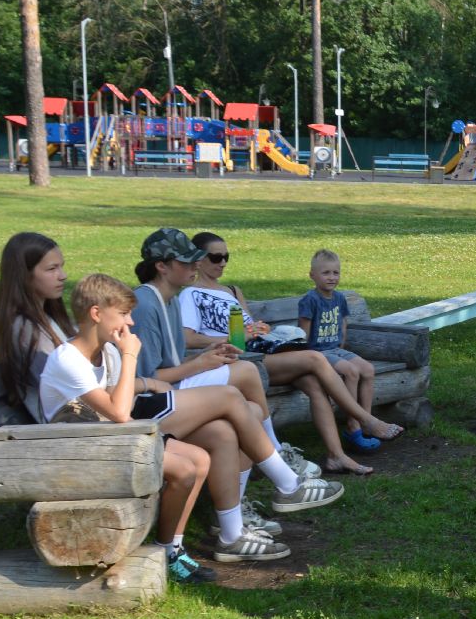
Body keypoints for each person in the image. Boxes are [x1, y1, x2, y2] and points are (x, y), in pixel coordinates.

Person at [131, 227, 345, 562]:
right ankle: (287, 482)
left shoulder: (168, 298)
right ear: (162, 266)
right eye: (187, 260)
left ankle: (231, 534)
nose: (195, 265)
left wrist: (209, 358)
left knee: (233, 426)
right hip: (142, 406)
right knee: (239, 388)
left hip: (168, 395)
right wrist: (201, 363)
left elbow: (170, 366)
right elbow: (145, 379)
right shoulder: (145, 304)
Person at [37, 273, 216, 584]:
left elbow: (122, 408)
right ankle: (162, 552)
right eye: (123, 314)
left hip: (108, 440)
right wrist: (130, 355)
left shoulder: (104, 351)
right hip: (76, 454)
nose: (130, 323)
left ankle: (172, 548)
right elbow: (120, 412)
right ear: (96, 313)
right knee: (184, 470)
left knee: (199, 459)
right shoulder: (68, 360)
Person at [182, 232, 402, 475]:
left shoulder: (233, 291)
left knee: (314, 383)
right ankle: (366, 420)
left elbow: (250, 327)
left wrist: (260, 329)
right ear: (199, 259)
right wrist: (232, 338)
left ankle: (336, 456)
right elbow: (188, 337)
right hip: (239, 362)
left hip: (261, 353)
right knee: (315, 358)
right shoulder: (189, 294)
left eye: (226, 256)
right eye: (216, 257)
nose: (223, 262)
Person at [297, 249, 388, 452]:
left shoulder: (339, 298)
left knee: (367, 369)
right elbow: (303, 333)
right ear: (312, 275)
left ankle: (367, 421)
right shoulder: (310, 300)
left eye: (335, 273)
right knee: (351, 371)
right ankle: (353, 426)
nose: (332, 277)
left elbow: (343, 323)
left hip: (335, 349)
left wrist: (342, 344)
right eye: (326, 273)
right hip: (317, 353)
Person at [0, 231, 73, 424]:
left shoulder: (49, 319)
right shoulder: (26, 330)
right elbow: (65, 388)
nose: (63, 276)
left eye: (61, 267)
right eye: (52, 269)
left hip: (82, 419)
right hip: (67, 428)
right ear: (24, 275)